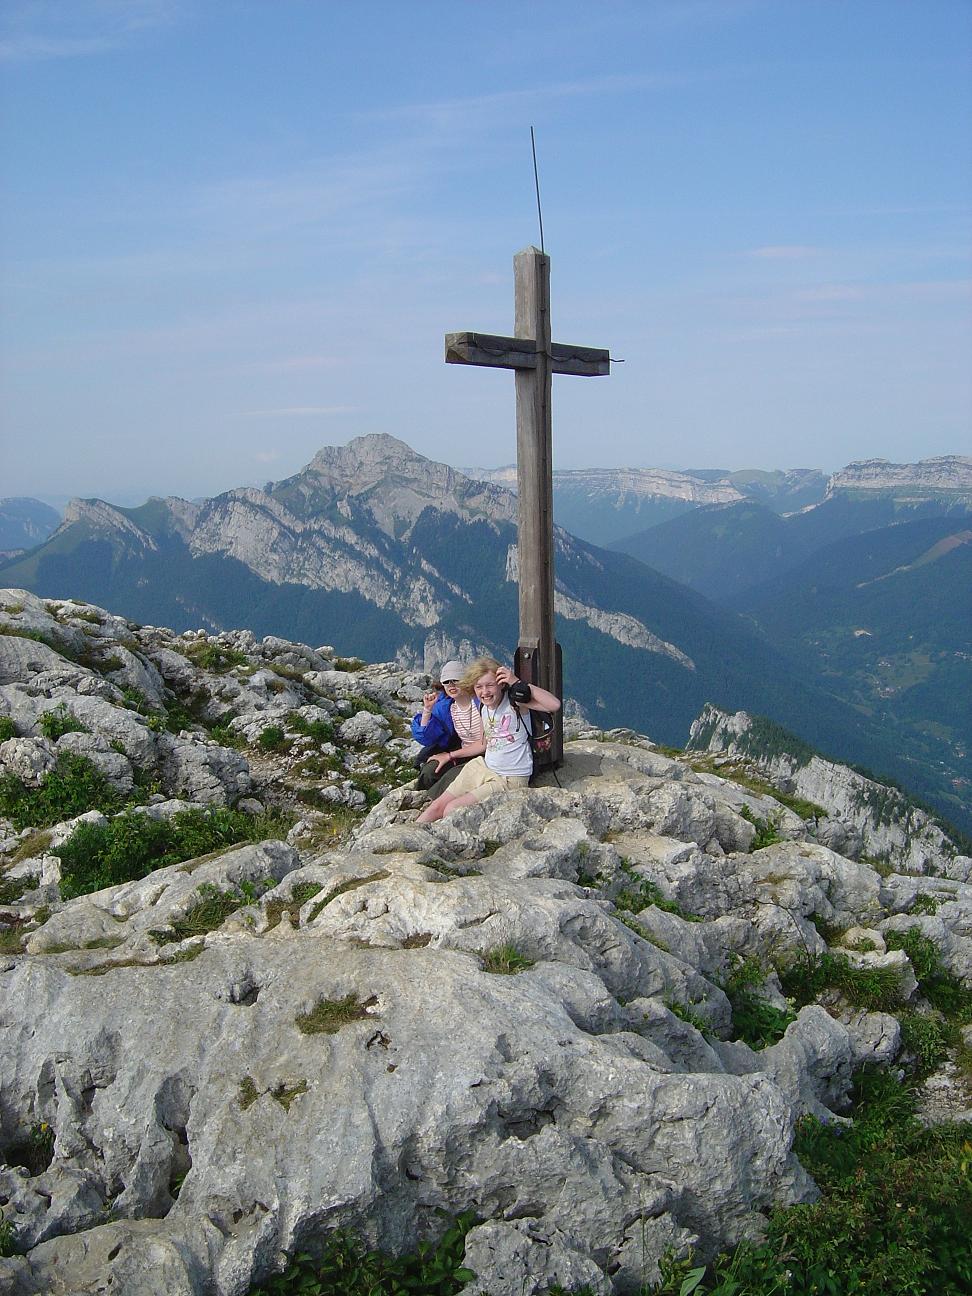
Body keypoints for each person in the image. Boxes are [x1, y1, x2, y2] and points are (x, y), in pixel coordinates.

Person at [416, 656, 560, 823]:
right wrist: (449, 756)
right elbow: (484, 744)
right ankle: (409, 840)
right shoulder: (483, 707)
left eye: (490, 685)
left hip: (510, 778)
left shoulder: (515, 703)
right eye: (479, 687)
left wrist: (518, 682)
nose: (484, 692)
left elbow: (554, 705)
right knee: (436, 807)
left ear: (501, 684)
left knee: (452, 809)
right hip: (484, 766)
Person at [411, 660, 484, 793]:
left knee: (451, 778)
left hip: (485, 754)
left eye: (456, 680)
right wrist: (427, 710)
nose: (451, 685)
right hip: (461, 752)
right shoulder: (446, 708)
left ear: (466, 680)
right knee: (429, 771)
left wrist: (450, 755)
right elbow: (425, 737)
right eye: (446, 681)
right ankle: (418, 799)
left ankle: (432, 806)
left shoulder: (482, 702)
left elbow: (486, 742)